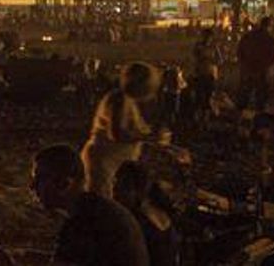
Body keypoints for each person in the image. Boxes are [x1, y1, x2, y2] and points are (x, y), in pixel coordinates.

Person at [19, 144, 149, 265]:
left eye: (39, 180)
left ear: (63, 183)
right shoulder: (98, 210)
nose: (32, 187)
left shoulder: (83, 222)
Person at [80, 63, 168, 198]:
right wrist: (148, 137)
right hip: (104, 162)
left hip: (112, 163)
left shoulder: (127, 100)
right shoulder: (119, 100)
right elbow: (116, 134)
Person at [113, 162, 178, 266]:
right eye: (114, 184)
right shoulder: (160, 213)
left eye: (121, 188)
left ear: (137, 190)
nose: (114, 193)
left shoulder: (136, 221)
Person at [236, 17, 274, 111]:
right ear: (269, 26)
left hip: (248, 72)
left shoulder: (248, 37)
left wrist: (244, 66)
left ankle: (239, 119)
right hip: (261, 73)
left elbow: (239, 53)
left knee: (243, 99)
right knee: (261, 101)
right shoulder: (271, 40)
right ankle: (258, 120)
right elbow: (273, 58)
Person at [189, 28, 222, 126]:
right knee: (199, 96)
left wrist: (210, 60)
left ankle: (206, 118)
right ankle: (198, 118)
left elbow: (220, 60)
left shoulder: (214, 47)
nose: (207, 38)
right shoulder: (198, 46)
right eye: (206, 36)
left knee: (209, 96)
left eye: (209, 36)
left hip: (210, 74)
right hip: (200, 74)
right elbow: (194, 57)